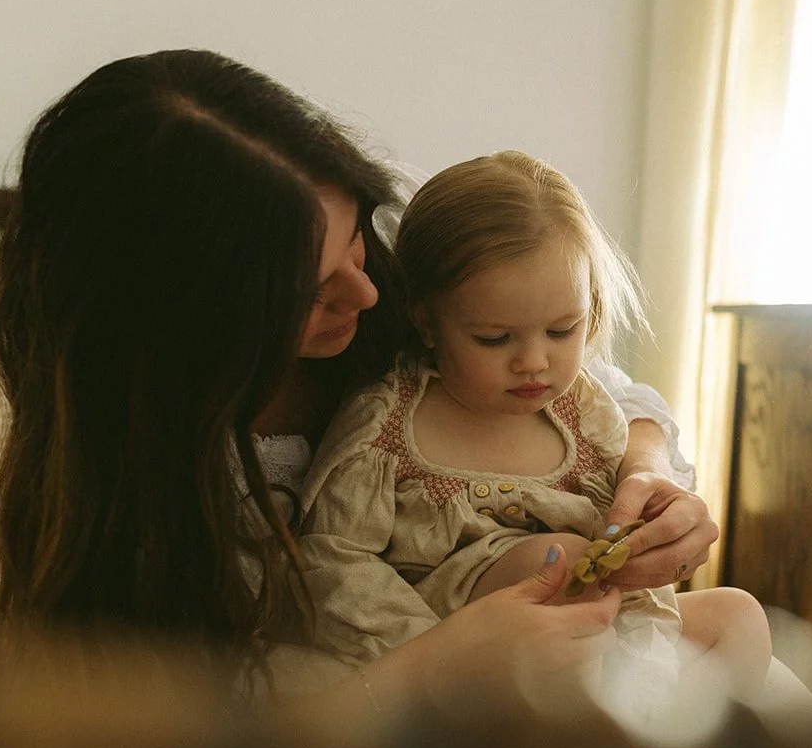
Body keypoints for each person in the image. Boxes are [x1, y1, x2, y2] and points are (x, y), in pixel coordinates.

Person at [0, 49, 720, 704]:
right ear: (191, 328)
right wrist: (434, 664)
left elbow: (584, 384)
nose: (367, 296)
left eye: (357, 238)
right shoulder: (139, 498)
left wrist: (647, 475)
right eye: (309, 290)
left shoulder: (408, 281)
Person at [296, 152, 771, 704]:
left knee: (739, 614)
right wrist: (428, 648)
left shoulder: (585, 411)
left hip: (610, 625)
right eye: (495, 340)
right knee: (562, 565)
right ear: (426, 322)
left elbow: (640, 489)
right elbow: (334, 562)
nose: (534, 362)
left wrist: (643, 528)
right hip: (478, 649)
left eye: (562, 331)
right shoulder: (386, 429)